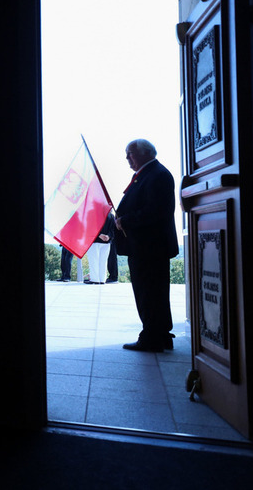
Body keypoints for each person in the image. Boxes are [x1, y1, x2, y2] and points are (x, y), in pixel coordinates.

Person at [114, 139, 178, 352]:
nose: (127, 159)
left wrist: (126, 220)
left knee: (149, 294)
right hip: (145, 247)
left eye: (130, 153)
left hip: (150, 247)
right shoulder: (149, 174)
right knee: (151, 293)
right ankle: (160, 335)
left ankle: (152, 337)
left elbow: (155, 212)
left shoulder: (157, 175)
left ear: (145, 153)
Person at [85, 211, 115, 284]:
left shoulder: (92, 213)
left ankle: (95, 279)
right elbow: (113, 229)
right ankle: (102, 279)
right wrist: (108, 236)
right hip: (106, 242)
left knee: (94, 260)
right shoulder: (110, 215)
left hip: (95, 240)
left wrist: (99, 235)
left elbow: (89, 226)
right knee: (103, 261)